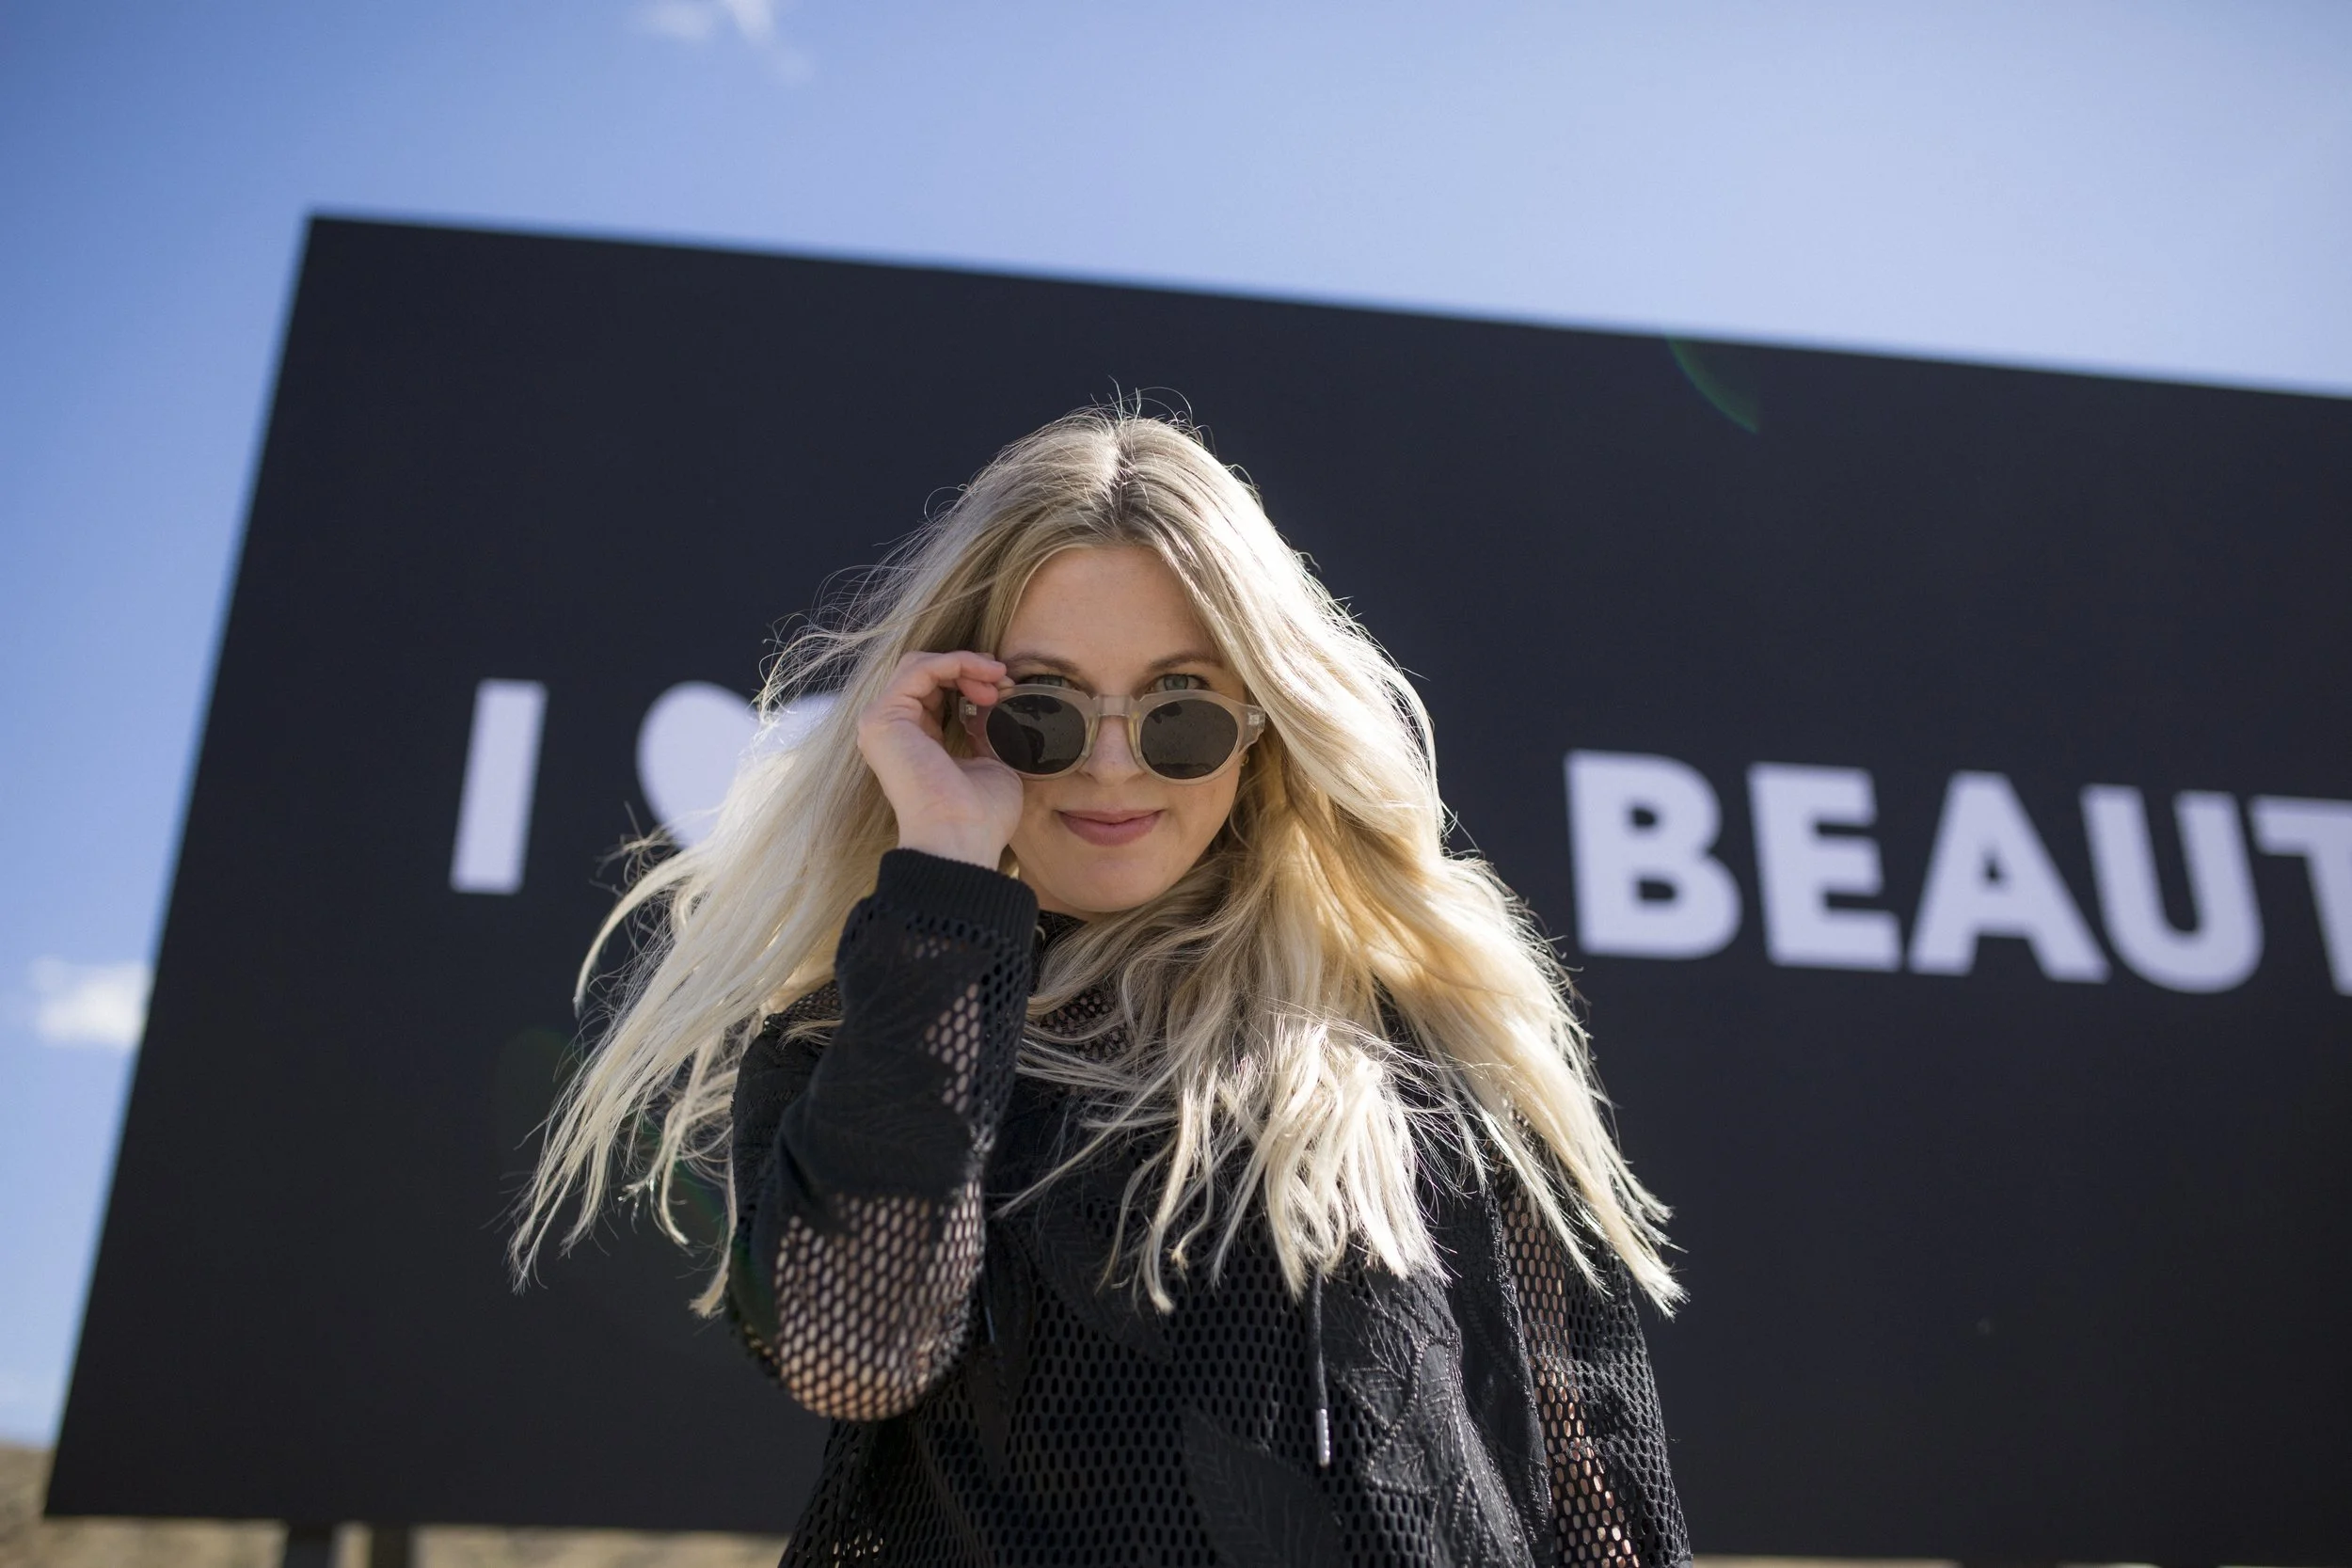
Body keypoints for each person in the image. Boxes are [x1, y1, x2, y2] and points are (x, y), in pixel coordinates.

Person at [515, 409, 1691, 1567]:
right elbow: (848, 1352)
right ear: (964, 717)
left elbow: (1591, 1484)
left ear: (1259, 725)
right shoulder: (872, 1037)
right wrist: (944, 872)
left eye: (1178, 708)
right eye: (1045, 711)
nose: (1114, 763)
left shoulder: (1428, 1038)